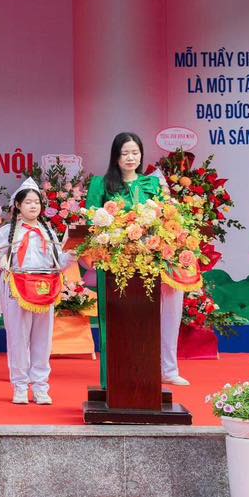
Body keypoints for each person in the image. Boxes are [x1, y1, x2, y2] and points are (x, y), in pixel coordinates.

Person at [85, 131, 190, 387]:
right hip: (116, 262)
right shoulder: (101, 184)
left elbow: (167, 216)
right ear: (116, 156)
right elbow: (90, 219)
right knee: (122, 318)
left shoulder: (152, 183)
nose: (130, 158)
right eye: (125, 153)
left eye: (135, 152)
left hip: (153, 258)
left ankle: (168, 369)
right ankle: (120, 372)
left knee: (168, 309)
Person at [0, 177, 75, 405]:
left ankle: (41, 387)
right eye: (28, 202)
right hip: (17, 286)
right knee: (18, 338)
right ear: (18, 206)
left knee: (43, 339)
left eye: (37, 202)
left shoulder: (48, 232)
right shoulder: (7, 231)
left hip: (44, 287)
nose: (33, 206)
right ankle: (20, 386)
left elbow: (58, 263)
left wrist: (72, 255)